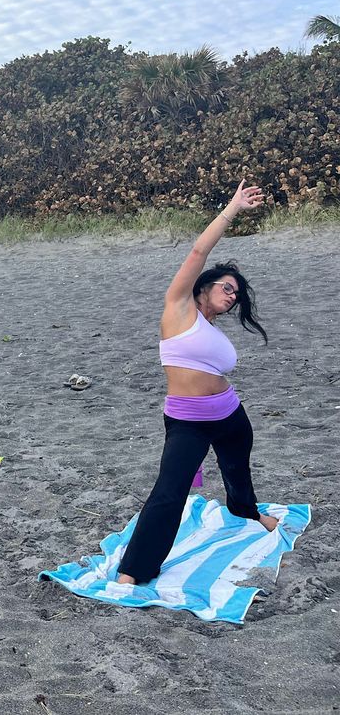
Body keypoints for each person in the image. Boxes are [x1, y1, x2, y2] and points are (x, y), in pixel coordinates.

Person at [117, 181, 279, 585]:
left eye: (236, 295)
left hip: (229, 413)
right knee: (169, 493)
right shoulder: (179, 307)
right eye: (226, 287)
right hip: (188, 420)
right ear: (204, 286)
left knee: (237, 467)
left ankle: (245, 510)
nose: (231, 295)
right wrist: (233, 208)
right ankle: (135, 569)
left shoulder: (213, 330)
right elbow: (198, 251)